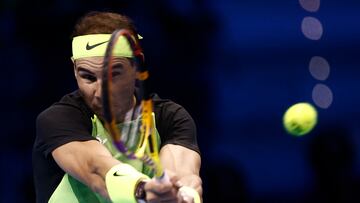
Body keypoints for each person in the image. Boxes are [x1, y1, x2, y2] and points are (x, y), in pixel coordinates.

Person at [33, 11, 202, 203]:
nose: (100, 93)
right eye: (88, 77)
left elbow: (182, 172)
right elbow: (95, 168)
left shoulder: (170, 117)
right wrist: (142, 190)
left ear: (137, 67)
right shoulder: (58, 119)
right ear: (74, 69)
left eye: (113, 75)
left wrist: (182, 192)